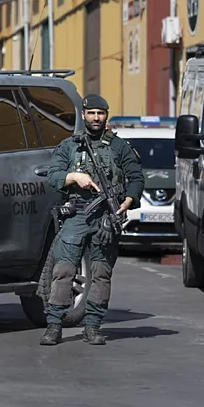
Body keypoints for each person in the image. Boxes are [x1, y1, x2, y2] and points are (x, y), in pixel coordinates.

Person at [40, 94, 144, 346]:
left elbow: (137, 178)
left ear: (106, 116)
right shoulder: (69, 146)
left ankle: (93, 327)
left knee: (100, 273)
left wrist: (128, 201)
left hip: (106, 218)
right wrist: (75, 177)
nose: (96, 118)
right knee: (63, 270)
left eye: (101, 113)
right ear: (84, 115)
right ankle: (54, 325)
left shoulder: (119, 147)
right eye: (92, 113)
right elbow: (53, 176)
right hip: (77, 214)